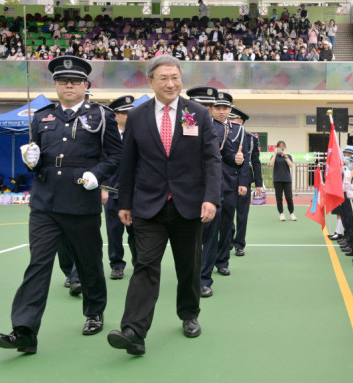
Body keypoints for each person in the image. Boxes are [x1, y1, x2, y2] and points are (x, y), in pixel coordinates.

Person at [0, 56, 122, 354]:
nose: (69, 86)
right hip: (45, 202)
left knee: (88, 261)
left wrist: (97, 176)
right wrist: (30, 161)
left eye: (75, 81)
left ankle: (94, 311)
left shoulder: (101, 116)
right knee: (38, 265)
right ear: (55, 85)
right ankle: (23, 330)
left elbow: (116, 156)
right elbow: (36, 156)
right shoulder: (42, 117)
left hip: (81, 198)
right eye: (63, 81)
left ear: (86, 85)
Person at [107, 55, 222, 355]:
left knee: (188, 266)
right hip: (148, 205)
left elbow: (211, 159)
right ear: (151, 81)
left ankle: (189, 314)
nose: (171, 83)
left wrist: (211, 197)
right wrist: (124, 201)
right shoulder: (137, 116)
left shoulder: (197, 113)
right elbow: (129, 162)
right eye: (164, 78)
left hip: (188, 205)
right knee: (144, 265)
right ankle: (134, 330)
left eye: (175, 77)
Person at [186, 86, 237, 297]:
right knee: (189, 238)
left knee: (209, 236)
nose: (206, 109)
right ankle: (190, 276)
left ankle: (204, 279)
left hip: (211, 191)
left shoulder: (221, 129)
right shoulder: (186, 121)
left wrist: (237, 161)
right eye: (202, 105)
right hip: (186, 191)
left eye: (210, 105)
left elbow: (226, 155)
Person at [212, 91, 250, 276]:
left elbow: (244, 158)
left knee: (227, 225)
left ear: (230, 109)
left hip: (229, 182)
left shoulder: (239, 130)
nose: (221, 112)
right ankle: (208, 259)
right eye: (217, 108)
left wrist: (243, 182)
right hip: (209, 183)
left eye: (225, 108)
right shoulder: (205, 126)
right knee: (209, 225)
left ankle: (222, 260)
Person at [103, 95, 138, 280]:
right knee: (114, 232)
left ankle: (138, 261)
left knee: (136, 231)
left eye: (130, 111)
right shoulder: (108, 137)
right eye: (124, 112)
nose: (129, 115)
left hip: (134, 193)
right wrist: (104, 187)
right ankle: (116, 264)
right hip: (113, 192)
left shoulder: (138, 134)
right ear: (115, 115)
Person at [230, 106, 263, 256]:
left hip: (244, 179)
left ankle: (239, 244)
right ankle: (228, 239)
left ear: (241, 122)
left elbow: (256, 162)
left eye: (234, 119)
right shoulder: (223, 134)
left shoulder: (251, 138)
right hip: (227, 179)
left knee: (242, 214)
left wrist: (259, 183)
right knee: (226, 214)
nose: (231, 122)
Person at [269, 140, 296, 221]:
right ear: (277, 148)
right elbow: (271, 164)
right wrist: (274, 153)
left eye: (283, 147)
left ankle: (292, 213)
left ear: (285, 148)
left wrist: (285, 156)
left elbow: (291, 165)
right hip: (277, 179)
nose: (281, 148)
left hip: (287, 179)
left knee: (289, 197)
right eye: (280, 147)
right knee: (279, 198)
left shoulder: (288, 156)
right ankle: (281, 213)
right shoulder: (274, 156)